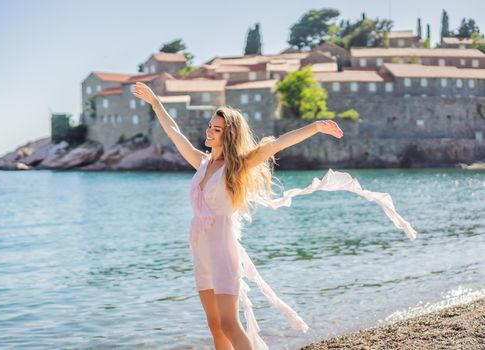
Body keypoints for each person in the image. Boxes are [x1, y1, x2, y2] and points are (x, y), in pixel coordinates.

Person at [132, 82, 416, 349]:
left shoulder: (236, 166)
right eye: (210, 126)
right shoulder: (201, 162)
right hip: (200, 251)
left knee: (230, 324)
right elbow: (175, 133)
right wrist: (156, 102)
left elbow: (275, 145)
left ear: (228, 134)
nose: (209, 131)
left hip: (222, 250)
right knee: (215, 325)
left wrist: (315, 127)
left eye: (216, 129)